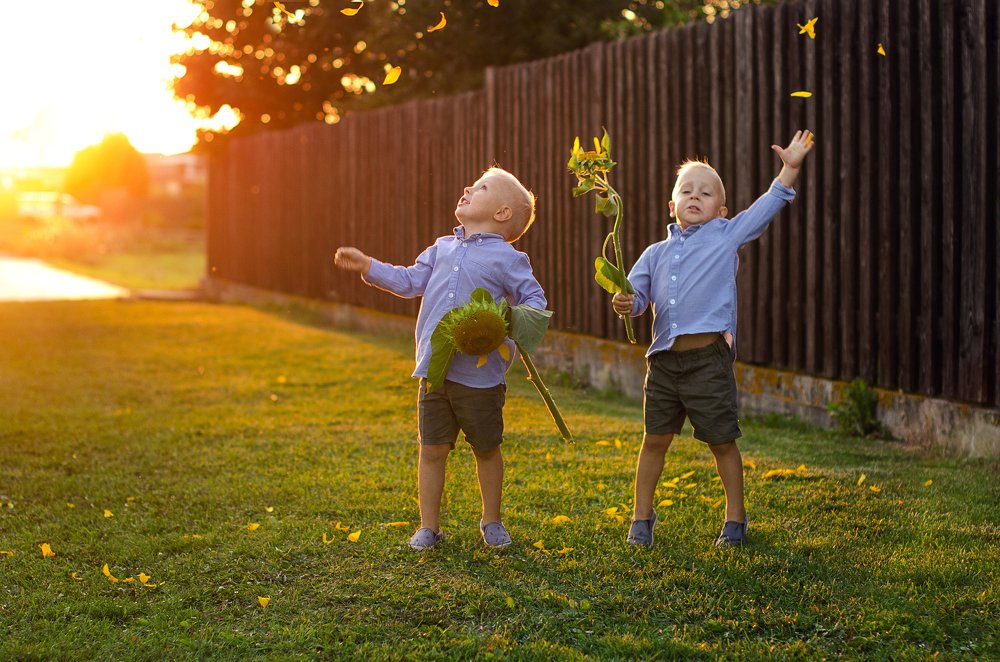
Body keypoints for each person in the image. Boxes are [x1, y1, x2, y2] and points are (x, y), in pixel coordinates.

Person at [612, 130, 815, 549]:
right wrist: (624, 302)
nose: (694, 196)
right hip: (664, 363)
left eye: (705, 193)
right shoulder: (653, 253)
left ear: (721, 209)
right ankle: (641, 519)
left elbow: (765, 208)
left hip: (708, 360)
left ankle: (735, 520)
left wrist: (789, 169)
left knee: (722, 441)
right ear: (672, 205)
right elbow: (635, 299)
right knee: (654, 440)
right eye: (686, 190)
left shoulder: (726, 235)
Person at [334, 167, 546, 551]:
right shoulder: (441, 248)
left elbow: (534, 302)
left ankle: (492, 520)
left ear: (501, 213)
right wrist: (368, 265)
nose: (467, 188)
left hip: (481, 376)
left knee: (486, 447)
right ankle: (428, 527)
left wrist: (505, 324)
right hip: (435, 368)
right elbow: (408, 280)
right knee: (432, 448)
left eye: (480, 187)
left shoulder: (509, 259)